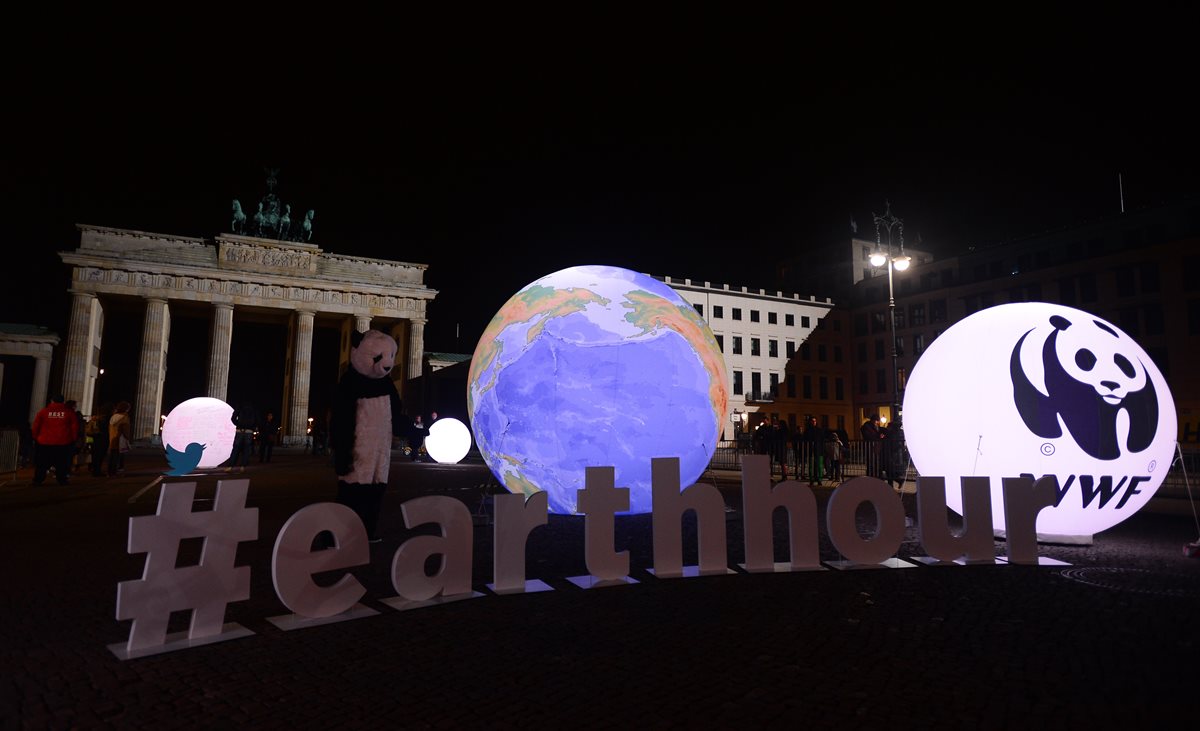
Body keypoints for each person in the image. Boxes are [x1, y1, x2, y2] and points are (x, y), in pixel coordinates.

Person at [31, 393, 78, 486]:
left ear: (52, 401)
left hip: (45, 442)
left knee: (42, 464)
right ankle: (62, 479)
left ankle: (38, 480)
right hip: (63, 442)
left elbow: (36, 426)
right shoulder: (69, 412)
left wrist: (35, 437)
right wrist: (73, 439)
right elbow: (74, 427)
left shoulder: (43, 412)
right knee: (62, 463)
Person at [227, 402, 258, 472]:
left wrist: (238, 424)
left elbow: (233, 417)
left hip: (239, 430)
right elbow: (257, 419)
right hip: (249, 431)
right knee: (246, 450)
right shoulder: (254, 407)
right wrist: (252, 427)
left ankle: (230, 466)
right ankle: (243, 466)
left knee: (235, 449)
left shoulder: (240, 406)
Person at [86, 403, 112, 478]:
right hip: (102, 438)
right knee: (100, 456)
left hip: (94, 438)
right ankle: (97, 471)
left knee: (95, 455)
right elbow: (106, 429)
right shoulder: (107, 419)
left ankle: (94, 470)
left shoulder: (95, 418)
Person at [107, 401, 132, 476]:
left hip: (112, 438)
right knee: (117, 456)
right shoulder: (124, 417)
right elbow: (125, 429)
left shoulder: (113, 416)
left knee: (112, 456)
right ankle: (114, 472)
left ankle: (110, 472)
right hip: (120, 439)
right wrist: (127, 438)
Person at [64, 399, 86, 473]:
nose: (76, 407)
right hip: (72, 439)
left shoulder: (64, 414)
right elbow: (78, 429)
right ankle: (66, 471)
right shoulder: (74, 415)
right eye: (75, 405)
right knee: (70, 456)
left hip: (64, 438)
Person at [803, 416, 825, 486]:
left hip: (818, 450)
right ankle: (812, 479)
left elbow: (822, 440)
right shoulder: (807, 430)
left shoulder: (819, 430)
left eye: (815, 421)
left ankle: (819, 479)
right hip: (810, 450)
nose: (813, 422)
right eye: (812, 421)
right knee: (811, 466)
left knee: (819, 465)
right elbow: (805, 439)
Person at [861, 415, 884, 479]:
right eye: (876, 421)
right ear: (873, 420)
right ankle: (871, 476)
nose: (877, 423)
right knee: (871, 461)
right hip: (871, 446)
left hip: (875, 446)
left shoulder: (873, 427)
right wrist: (878, 437)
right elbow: (868, 436)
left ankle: (875, 475)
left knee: (875, 461)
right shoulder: (867, 427)